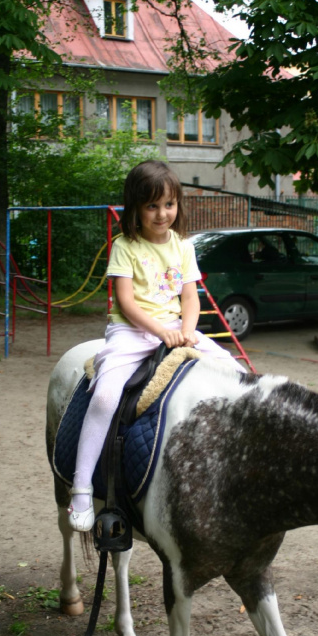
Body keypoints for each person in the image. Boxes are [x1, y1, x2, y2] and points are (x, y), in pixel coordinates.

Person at [68, 160, 245, 531]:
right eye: (152, 206)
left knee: (238, 373)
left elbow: (190, 297)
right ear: (135, 208)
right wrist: (161, 332)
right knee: (104, 397)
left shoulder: (183, 247)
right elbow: (127, 302)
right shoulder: (125, 246)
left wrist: (187, 331)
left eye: (169, 204)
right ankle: (82, 487)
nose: (162, 213)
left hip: (176, 328)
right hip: (131, 331)